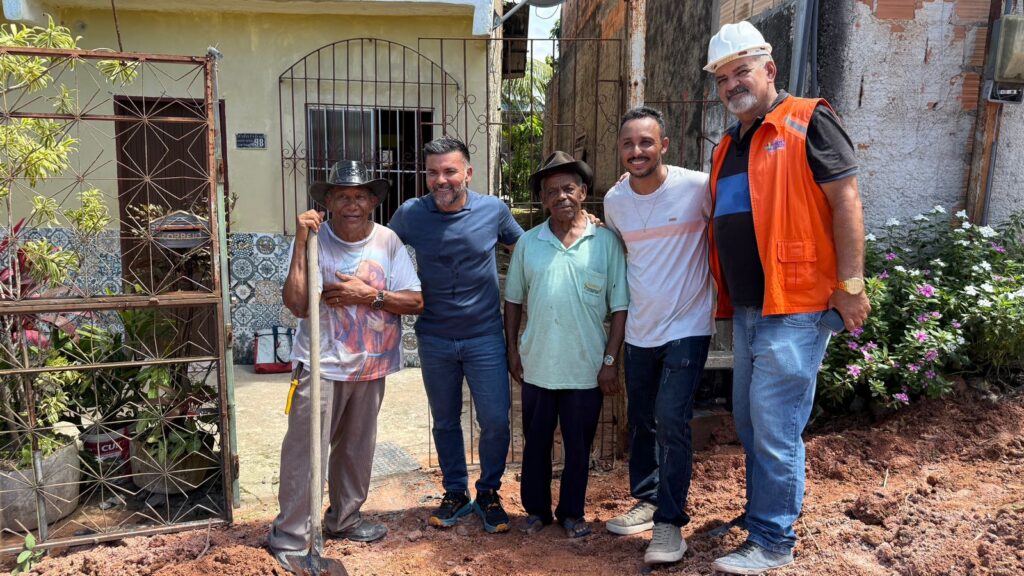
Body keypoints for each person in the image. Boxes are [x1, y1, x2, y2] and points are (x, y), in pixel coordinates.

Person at [703, 21, 870, 574]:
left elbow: (846, 200)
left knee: (775, 427)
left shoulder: (807, 119)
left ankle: (774, 540)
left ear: (769, 69)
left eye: (741, 71)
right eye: (722, 78)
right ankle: (762, 516)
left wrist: (851, 284)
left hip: (796, 304)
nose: (732, 84)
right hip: (751, 307)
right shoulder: (729, 145)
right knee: (751, 423)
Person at [268, 160, 424, 571]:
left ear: (372, 202)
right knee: (305, 452)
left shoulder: (388, 241)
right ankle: (291, 536)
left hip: (371, 367)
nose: (351, 204)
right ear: (328, 202)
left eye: (359, 196)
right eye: (341, 196)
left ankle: (345, 519)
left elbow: (415, 301)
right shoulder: (315, 241)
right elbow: (298, 305)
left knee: (356, 450)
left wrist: (367, 295)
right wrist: (301, 242)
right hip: (320, 365)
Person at [388, 137, 523, 534]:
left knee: (495, 420)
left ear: (468, 173)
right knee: (445, 421)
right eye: (433, 173)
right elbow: (379, 247)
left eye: (450, 171)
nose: (441, 180)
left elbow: (529, 247)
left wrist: (585, 226)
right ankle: (455, 492)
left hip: (485, 337)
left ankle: (489, 492)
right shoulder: (411, 214)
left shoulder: (493, 210)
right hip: (434, 338)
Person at [602, 106, 715, 565]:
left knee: (671, 419)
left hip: (688, 326)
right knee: (643, 420)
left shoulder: (698, 187)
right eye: (628, 144)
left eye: (646, 142)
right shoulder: (615, 201)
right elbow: (619, 253)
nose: (637, 151)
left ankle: (670, 523)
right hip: (640, 330)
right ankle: (648, 500)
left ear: (664, 145)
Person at [503, 151, 628, 540]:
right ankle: (536, 511)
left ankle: (572, 512)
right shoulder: (529, 243)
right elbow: (513, 300)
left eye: (569, 188)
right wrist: (512, 350)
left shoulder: (605, 243)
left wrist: (610, 361)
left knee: (579, 446)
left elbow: (620, 307)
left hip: (585, 369)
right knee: (536, 444)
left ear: (583, 193)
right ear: (543, 199)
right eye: (552, 191)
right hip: (538, 365)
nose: (561, 196)